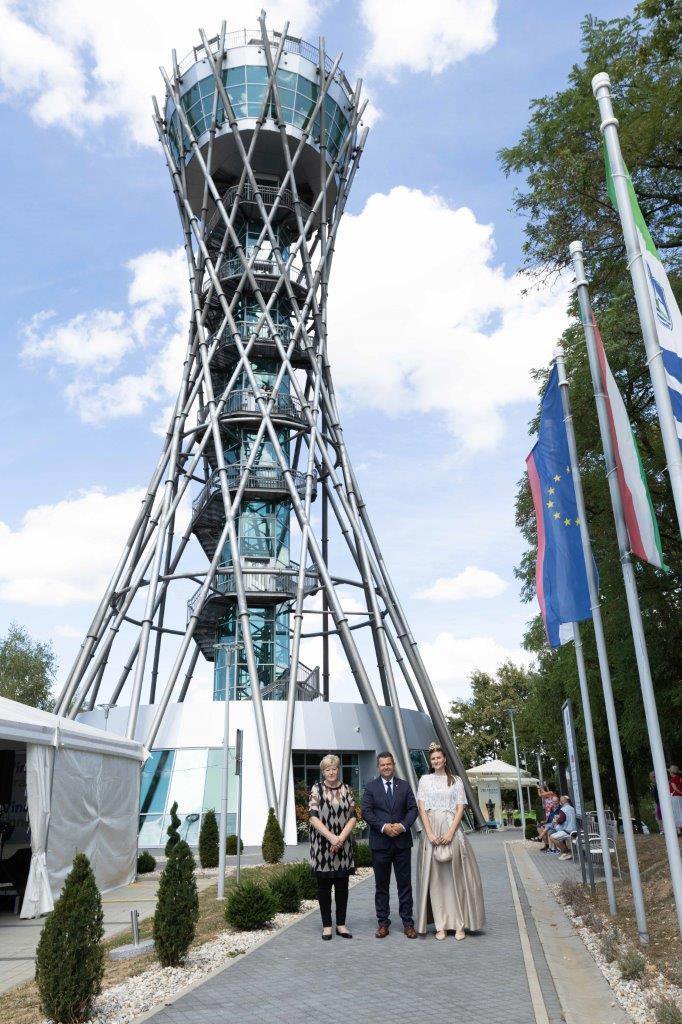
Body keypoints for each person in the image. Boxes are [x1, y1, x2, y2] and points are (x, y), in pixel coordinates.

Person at [416, 742, 485, 940]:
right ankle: (441, 925)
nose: (436, 761)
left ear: (445, 759)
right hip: (431, 829)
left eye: (439, 757)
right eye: (433, 758)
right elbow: (422, 808)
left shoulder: (455, 780)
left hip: (451, 828)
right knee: (436, 881)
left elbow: (460, 808)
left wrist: (450, 832)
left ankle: (459, 924)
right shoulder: (425, 780)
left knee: (456, 879)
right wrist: (429, 833)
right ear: (431, 761)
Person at [361, 751, 418, 938]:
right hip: (380, 843)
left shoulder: (404, 786)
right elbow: (366, 812)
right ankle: (383, 923)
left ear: (394, 765)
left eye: (389, 764)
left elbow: (412, 809)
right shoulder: (371, 787)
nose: (386, 767)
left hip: (402, 843)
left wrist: (402, 826)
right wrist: (384, 827)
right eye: (382, 764)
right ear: (378, 767)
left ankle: (408, 923)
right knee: (381, 886)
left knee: (405, 885)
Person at [309, 753, 357, 940]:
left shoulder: (347, 789)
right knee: (324, 888)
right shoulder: (317, 789)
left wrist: (340, 839)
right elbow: (313, 816)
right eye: (327, 769)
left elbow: (353, 816)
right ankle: (327, 925)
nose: (331, 772)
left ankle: (342, 925)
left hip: (343, 846)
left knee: (342, 887)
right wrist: (331, 838)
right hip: (322, 847)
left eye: (334, 768)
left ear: (338, 769)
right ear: (323, 772)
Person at [548, 795, 577, 860]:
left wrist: (557, 820)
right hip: (574, 829)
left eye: (560, 801)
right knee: (558, 836)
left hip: (568, 830)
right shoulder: (572, 808)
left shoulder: (563, 809)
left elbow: (561, 821)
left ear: (561, 802)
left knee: (552, 837)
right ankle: (566, 851)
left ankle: (566, 852)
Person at [669, 765, 682, 836]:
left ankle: (678, 831)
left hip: (674, 797)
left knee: (676, 813)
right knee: (680, 811)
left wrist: (680, 792)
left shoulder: (672, 780)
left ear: (671, 772)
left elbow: (675, 789)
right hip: (680, 797)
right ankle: (679, 830)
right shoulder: (680, 778)